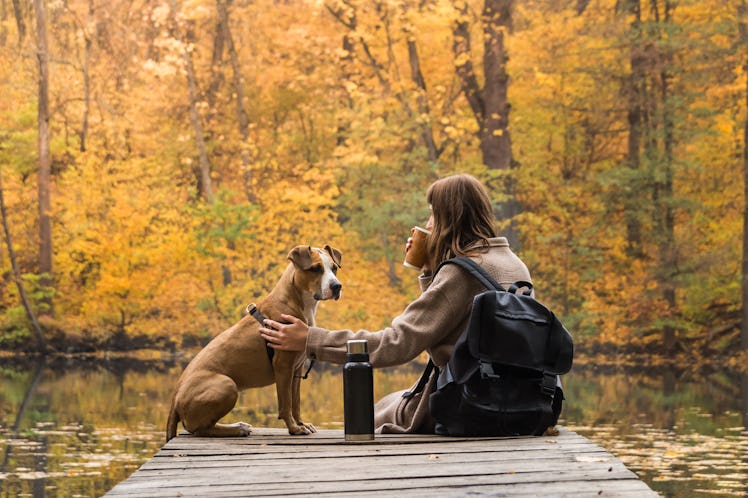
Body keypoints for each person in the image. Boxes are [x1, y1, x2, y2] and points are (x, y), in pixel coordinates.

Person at [259, 173, 532, 434]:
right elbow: (449, 321)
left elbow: (396, 343)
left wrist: (311, 340)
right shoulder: (512, 262)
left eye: (433, 215)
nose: (428, 224)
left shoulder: (460, 274)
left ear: (450, 219)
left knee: (374, 412)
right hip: (520, 398)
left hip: (469, 403)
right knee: (392, 400)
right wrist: (430, 270)